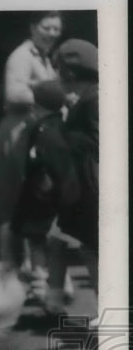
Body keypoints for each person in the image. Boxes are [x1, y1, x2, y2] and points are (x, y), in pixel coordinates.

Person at [0, 11, 62, 265]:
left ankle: (31, 272)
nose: (51, 33)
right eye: (46, 27)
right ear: (33, 28)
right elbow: (15, 93)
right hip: (18, 133)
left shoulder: (45, 58)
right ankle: (9, 270)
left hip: (35, 132)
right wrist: (54, 96)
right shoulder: (21, 56)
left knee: (33, 203)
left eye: (56, 29)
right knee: (11, 203)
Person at [44, 38, 100, 325]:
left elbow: (96, 142)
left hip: (94, 185)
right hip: (87, 185)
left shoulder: (94, 100)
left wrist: (62, 138)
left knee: (94, 247)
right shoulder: (87, 99)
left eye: (59, 70)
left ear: (71, 73)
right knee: (89, 246)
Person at [9, 79, 79, 306]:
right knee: (57, 247)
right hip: (61, 199)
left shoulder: (40, 131)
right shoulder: (67, 128)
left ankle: (41, 290)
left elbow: (33, 162)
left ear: (40, 107)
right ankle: (59, 291)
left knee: (37, 244)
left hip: (40, 198)